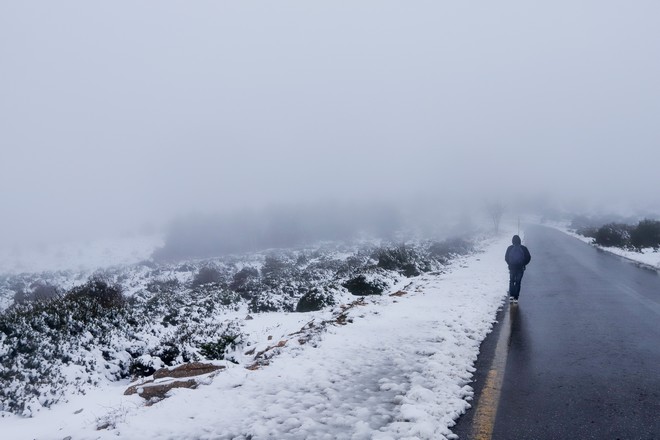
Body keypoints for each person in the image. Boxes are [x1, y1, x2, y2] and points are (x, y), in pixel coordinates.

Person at [505, 235, 531, 303]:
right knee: (518, 282)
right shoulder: (523, 248)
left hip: (512, 268)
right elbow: (528, 257)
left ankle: (511, 296)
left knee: (511, 281)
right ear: (519, 240)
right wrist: (523, 264)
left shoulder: (510, 248)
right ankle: (516, 298)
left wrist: (510, 264)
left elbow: (506, 258)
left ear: (512, 241)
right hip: (520, 268)